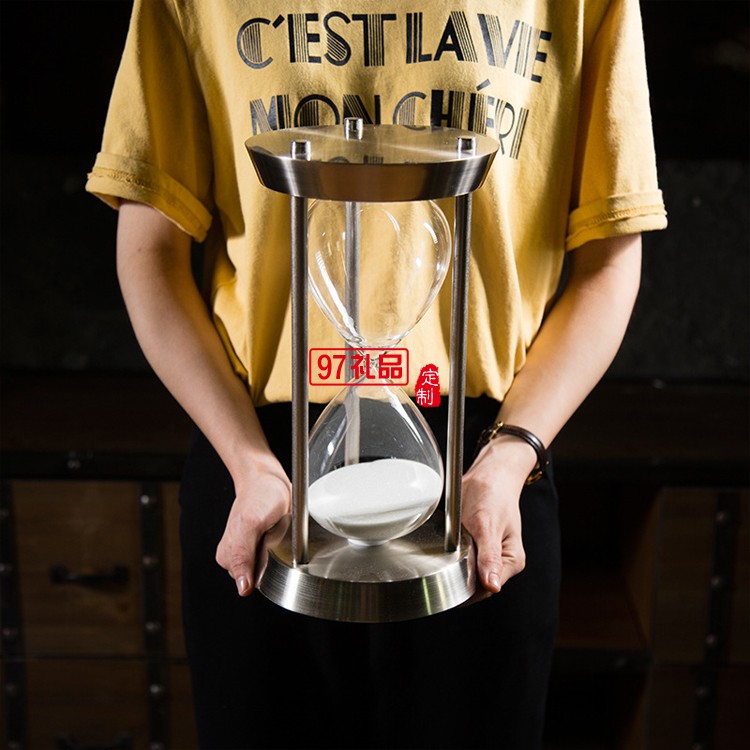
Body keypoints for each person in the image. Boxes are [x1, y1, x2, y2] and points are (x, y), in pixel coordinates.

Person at [87, 1, 667, 747]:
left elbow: (609, 258)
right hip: (260, 455)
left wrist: (511, 456)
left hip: (485, 458)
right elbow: (151, 252)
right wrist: (247, 462)